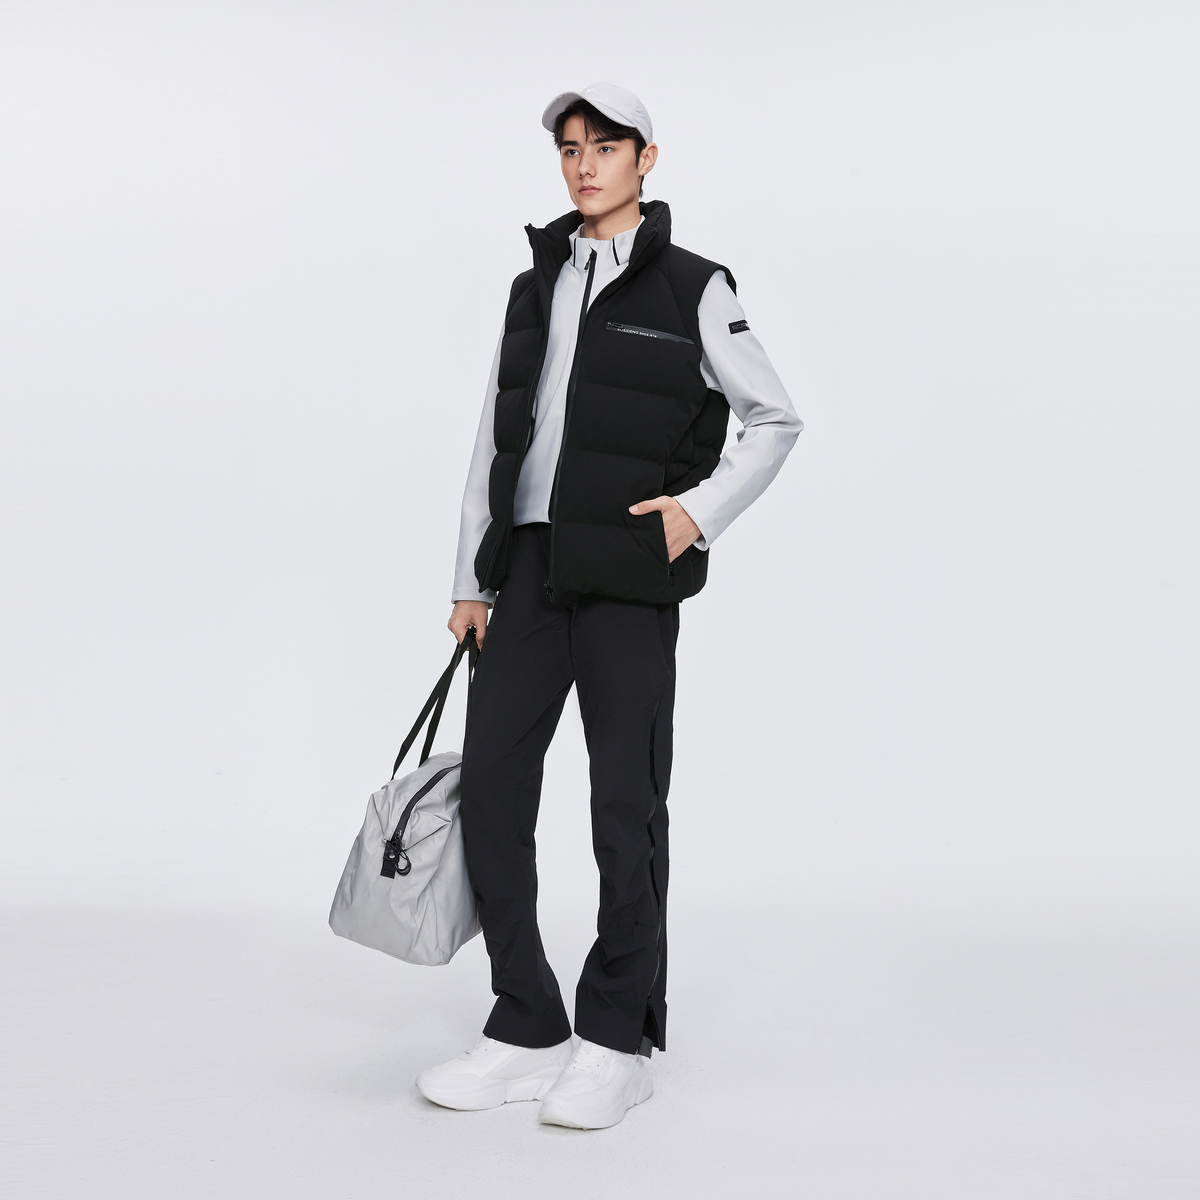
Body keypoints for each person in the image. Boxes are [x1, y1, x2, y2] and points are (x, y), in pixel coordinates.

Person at [415, 82, 803, 1130]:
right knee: (493, 790)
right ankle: (526, 1020)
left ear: (646, 159)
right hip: (528, 569)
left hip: (628, 573)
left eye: (605, 146)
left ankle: (617, 1037)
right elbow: (495, 437)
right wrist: (470, 578)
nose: (584, 165)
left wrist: (697, 514)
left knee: (623, 805)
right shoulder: (532, 285)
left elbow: (774, 417)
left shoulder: (695, 286)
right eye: (570, 149)